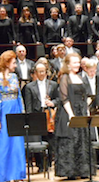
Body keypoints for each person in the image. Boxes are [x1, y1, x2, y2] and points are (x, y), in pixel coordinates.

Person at [55, 53, 91, 179]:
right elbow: (64, 98)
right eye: (75, 63)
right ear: (68, 64)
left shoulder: (81, 77)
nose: (78, 65)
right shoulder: (65, 78)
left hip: (81, 111)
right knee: (70, 140)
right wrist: (71, 115)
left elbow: (85, 95)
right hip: (69, 112)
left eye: (78, 62)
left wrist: (86, 107)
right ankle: (70, 172)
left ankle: (83, 170)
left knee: (82, 140)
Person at [24, 62, 59, 172]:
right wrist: (30, 118)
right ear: (35, 73)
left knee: (50, 139)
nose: (42, 74)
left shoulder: (53, 84)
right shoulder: (29, 87)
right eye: (39, 72)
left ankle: (48, 163)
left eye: (43, 71)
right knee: (37, 139)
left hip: (49, 115)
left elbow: (58, 99)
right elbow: (28, 104)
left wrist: (52, 102)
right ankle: (40, 165)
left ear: (46, 72)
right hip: (36, 115)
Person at [0, 50, 26, 181]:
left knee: (17, 143)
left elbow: (19, 96)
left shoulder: (15, 77)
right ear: (6, 63)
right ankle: (4, 175)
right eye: (13, 62)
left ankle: (18, 174)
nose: (15, 65)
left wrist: (22, 113)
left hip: (15, 110)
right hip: (4, 111)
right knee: (5, 144)